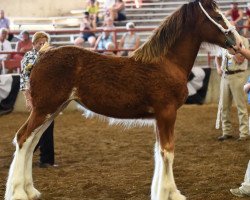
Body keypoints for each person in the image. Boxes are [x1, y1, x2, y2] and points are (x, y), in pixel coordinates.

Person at [20, 31, 56, 168]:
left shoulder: (52, 57)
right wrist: (28, 98)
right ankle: (28, 153)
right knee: (38, 126)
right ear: (33, 44)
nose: (42, 45)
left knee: (46, 126)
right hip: (36, 96)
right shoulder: (29, 57)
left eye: (44, 43)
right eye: (39, 43)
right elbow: (24, 78)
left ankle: (45, 159)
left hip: (49, 96)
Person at [215, 35, 250, 141]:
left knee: (241, 105)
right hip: (225, 76)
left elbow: (240, 59)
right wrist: (218, 68)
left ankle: (244, 133)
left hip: (238, 75)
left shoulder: (242, 40)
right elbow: (217, 56)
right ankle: (226, 132)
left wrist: (233, 49)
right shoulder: (222, 41)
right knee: (224, 106)